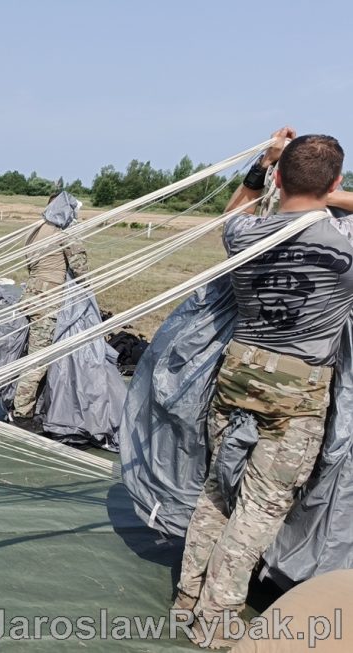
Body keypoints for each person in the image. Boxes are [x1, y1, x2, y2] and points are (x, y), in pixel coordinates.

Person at [174, 128, 353, 649]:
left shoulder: (245, 235)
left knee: (216, 490)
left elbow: (235, 211)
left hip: (237, 375)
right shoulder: (343, 240)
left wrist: (265, 162)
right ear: (336, 183)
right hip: (296, 394)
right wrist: (328, 193)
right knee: (260, 508)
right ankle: (216, 621)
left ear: (277, 179)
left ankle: (186, 597)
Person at [10, 191, 87, 424]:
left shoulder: (35, 230)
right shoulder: (64, 233)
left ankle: (25, 403)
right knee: (38, 359)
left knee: (28, 352)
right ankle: (22, 413)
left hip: (30, 295)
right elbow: (80, 267)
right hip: (48, 301)